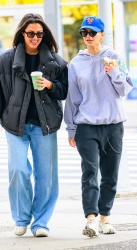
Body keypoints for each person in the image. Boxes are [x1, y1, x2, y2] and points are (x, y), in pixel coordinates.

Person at [64, 16, 133, 237]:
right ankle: (91, 219)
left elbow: (125, 89)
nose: (88, 37)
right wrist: (71, 128)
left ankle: (105, 217)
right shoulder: (76, 63)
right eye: (84, 33)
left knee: (110, 174)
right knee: (90, 172)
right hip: (87, 126)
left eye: (92, 33)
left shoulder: (115, 57)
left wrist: (113, 72)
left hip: (113, 125)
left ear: (102, 34)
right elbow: (72, 98)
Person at [0, 13, 68, 237]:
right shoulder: (7, 60)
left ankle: (41, 222)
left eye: (39, 34)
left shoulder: (56, 62)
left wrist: (50, 84)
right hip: (15, 124)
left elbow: (64, 90)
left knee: (46, 176)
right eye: (31, 33)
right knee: (18, 170)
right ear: (22, 34)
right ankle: (21, 218)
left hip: (44, 124)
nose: (35, 37)